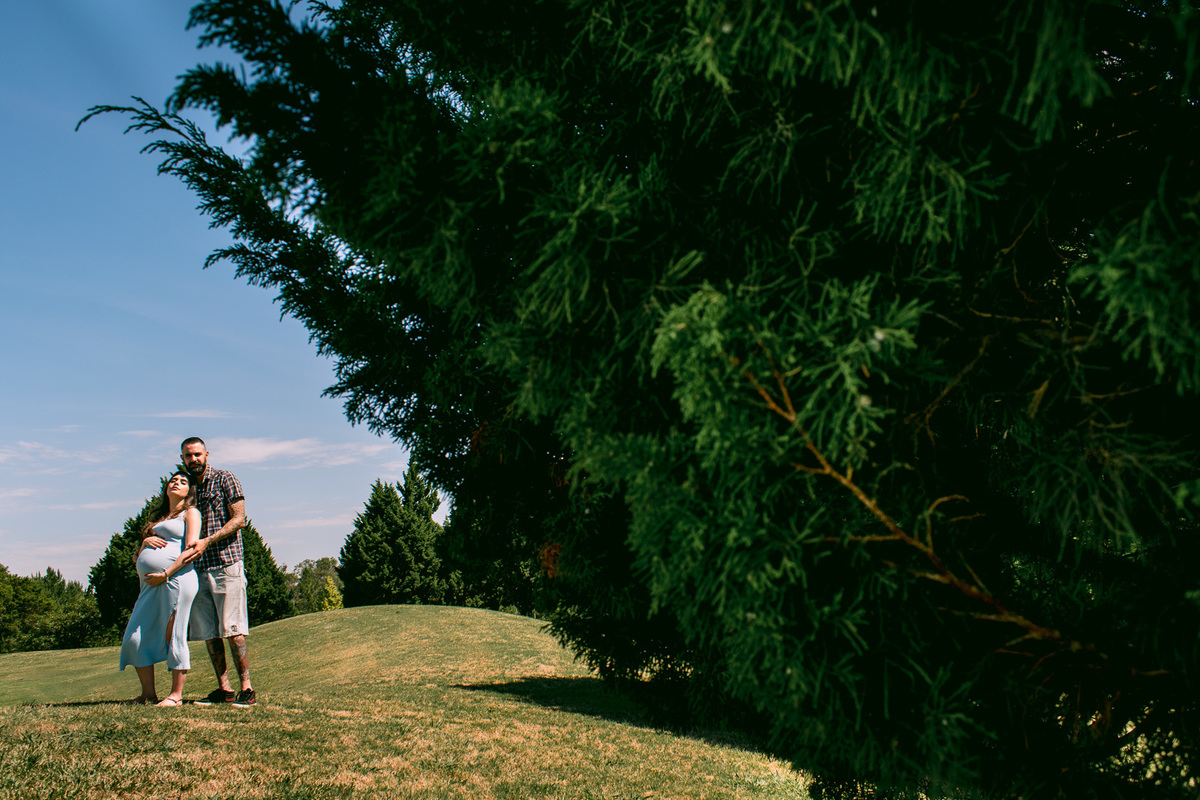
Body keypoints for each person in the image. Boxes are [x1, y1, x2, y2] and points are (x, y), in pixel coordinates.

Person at [180, 436, 256, 707]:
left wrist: (207, 541)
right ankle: (224, 689)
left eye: (197, 454)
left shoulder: (225, 478)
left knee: (234, 629)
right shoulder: (187, 487)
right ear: (183, 459)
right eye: (189, 456)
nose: (194, 460)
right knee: (210, 632)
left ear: (207, 454)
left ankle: (246, 688)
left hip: (226, 563)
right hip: (197, 568)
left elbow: (239, 519)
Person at [119, 471, 200, 706]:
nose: (177, 483)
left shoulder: (190, 513)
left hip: (177, 579)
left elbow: (191, 550)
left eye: (183, 482)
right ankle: (148, 694)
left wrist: (165, 573)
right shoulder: (160, 517)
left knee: (174, 634)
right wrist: (144, 543)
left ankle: (175, 696)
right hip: (150, 585)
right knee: (134, 636)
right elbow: (139, 556)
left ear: (189, 491)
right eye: (173, 480)